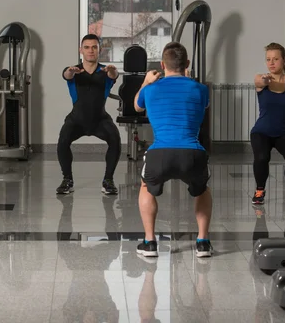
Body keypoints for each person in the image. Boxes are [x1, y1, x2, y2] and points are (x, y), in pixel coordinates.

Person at [134, 41, 213, 258]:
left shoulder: (150, 89)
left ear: (162, 65)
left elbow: (137, 106)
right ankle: (203, 243)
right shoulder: (201, 89)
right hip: (192, 154)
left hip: (160, 154)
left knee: (145, 187)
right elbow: (204, 105)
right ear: (187, 64)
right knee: (203, 189)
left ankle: (149, 242)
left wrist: (146, 81)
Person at [56, 34, 121, 195]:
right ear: (81, 50)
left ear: (99, 50)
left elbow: (114, 76)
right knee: (63, 140)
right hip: (77, 120)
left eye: (94, 47)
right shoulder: (74, 71)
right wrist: (69, 71)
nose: (90, 51)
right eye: (87, 47)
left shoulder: (106, 71)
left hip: (99, 120)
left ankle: (108, 181)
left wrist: (113, 71)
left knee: (115, 139)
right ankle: (67, 180)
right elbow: (66, 75)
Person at [250, 42, 285, 206]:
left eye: (275, 59)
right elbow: (259, 81)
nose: (271, 63)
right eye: (268, 59)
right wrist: (265, 80)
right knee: (261, 157)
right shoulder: (261, 79)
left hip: (283, 131)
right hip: (261, 131)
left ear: (283, 60)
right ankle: (259, 190)